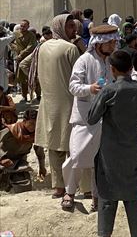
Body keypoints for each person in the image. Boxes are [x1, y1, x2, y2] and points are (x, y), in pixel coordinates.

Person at [62, 24, 129, 211]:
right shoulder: (84, 60)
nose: (114, 45)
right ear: (99, 43)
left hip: (106, 118)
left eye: (115, 41)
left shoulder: (113, 61)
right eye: (110, 42)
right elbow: (73, 86)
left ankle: (97, 197)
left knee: (101, 160)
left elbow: (129, 75)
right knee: (76, 156)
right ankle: (69, 193)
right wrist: (89, 88)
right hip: (85, 117)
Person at [87, 50, 137, 237]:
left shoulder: (109, 90)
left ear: (112, 69)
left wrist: (100, 93)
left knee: (107, 196)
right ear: (131, 68)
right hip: (133, 150)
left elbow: (91, 118)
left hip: (110, 153)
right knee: (134, 198)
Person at [34, 14, 80, 199]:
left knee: (54, 145)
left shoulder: (42, 47)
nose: (74, 30)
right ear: (61, 27)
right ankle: (78, 187)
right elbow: (80, 76)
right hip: (69, 103)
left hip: (48, 103)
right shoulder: (70, 48)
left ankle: (58, 187)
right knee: (75, 146)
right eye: (70, 27)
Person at [0, 109, 46, 192]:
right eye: (32, 124)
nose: (34, 127)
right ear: (24, 121)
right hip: (3, 161)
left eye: (37, 124)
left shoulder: (35, 135)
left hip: (19, 162)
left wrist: (42, 167)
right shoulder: (10, 130)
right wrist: (2, 158)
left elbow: (40, 152)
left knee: (24, 185)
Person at [10, 19, 37, 102]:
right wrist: (16, 49)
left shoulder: (31, 35)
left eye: (24, 26)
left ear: (28, 27)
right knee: (22, 80)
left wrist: (21, 53)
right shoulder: (16, 34)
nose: (22, 27)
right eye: (21, 25)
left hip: (29, 59)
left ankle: (38, 95)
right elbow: (10, 42)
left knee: (33, 77)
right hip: (19, 59)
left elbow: (31, 46)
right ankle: (24, 96)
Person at [0, 25, 15, 92]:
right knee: (2, 81)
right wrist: (4, 29)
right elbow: (13, 35)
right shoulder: (2, 41)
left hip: (1, 62)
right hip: (1, 63)